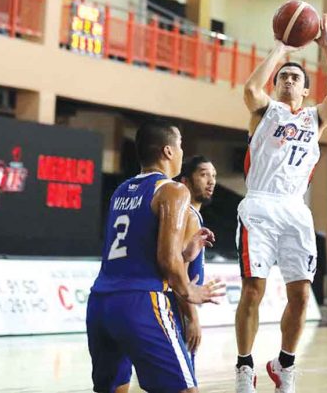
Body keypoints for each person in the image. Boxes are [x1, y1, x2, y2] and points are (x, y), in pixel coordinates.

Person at [234, 13, 327, 393]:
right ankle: (245, 367)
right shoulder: (265, 111)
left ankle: (285, 365)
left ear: (305, 90)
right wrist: (280, 50)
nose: (287, 80)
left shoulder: (316, 118)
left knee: (300, 294)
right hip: (260, 206)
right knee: (253, 288)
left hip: (295, 210)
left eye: (295, 78)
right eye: (283, 76)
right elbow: (250, 89)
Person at [86, 120, 224, 393]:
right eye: (181, 145)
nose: (183, 152)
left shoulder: (121, 191)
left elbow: (136, 249)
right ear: (168, 151)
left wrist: (187, 252)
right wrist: (189, 291)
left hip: (100, 304)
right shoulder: (173, 190)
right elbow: (166, 260)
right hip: (140, 303)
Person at [174, 155, 218, 365]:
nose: (211, 181)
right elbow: (179, 271)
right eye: (203, 175)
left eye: (213, 176)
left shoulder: (189, 215)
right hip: (178, 309)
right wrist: (192, 319)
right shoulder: (189, 216)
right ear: (185, 181)